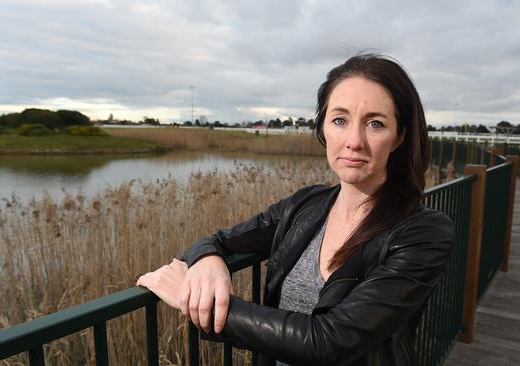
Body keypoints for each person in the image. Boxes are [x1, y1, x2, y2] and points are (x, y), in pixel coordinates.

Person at [137, 53, 454, 366]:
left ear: (399, 136)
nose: (354, 141)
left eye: (375, 123)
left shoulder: (423, 234)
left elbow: (329, 342)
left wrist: (196, 301)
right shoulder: (306, 206)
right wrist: (207, 261)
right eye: (340, 120)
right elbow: (219, 239)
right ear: (324, 127)